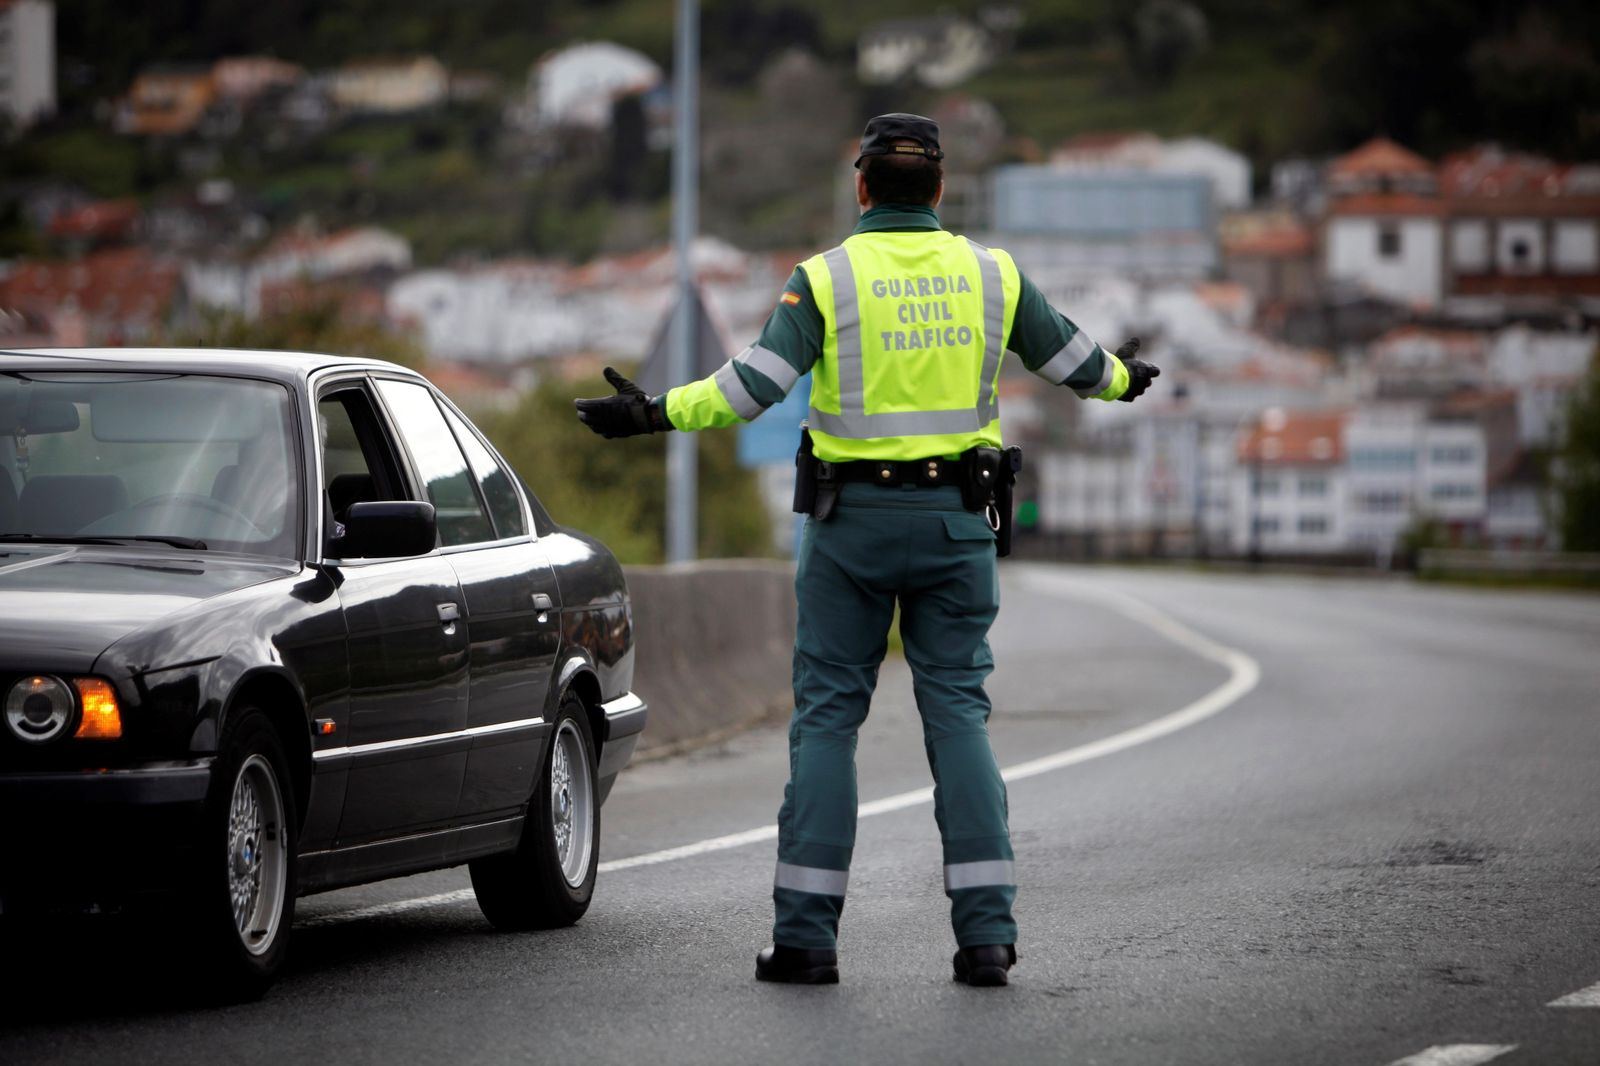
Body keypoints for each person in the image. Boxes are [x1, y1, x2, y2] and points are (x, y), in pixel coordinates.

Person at [575, 113, 1159, 988]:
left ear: (861, 186)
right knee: (957, 715)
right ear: (938, 188)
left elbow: (752, 388)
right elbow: (1075, 359)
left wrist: (653, 412)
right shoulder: (989, 275)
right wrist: (1123, 376)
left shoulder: (826, 281)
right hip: (959, 526)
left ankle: (807, 940)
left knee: (826, 723)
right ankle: (987, 938)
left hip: (851, 531)